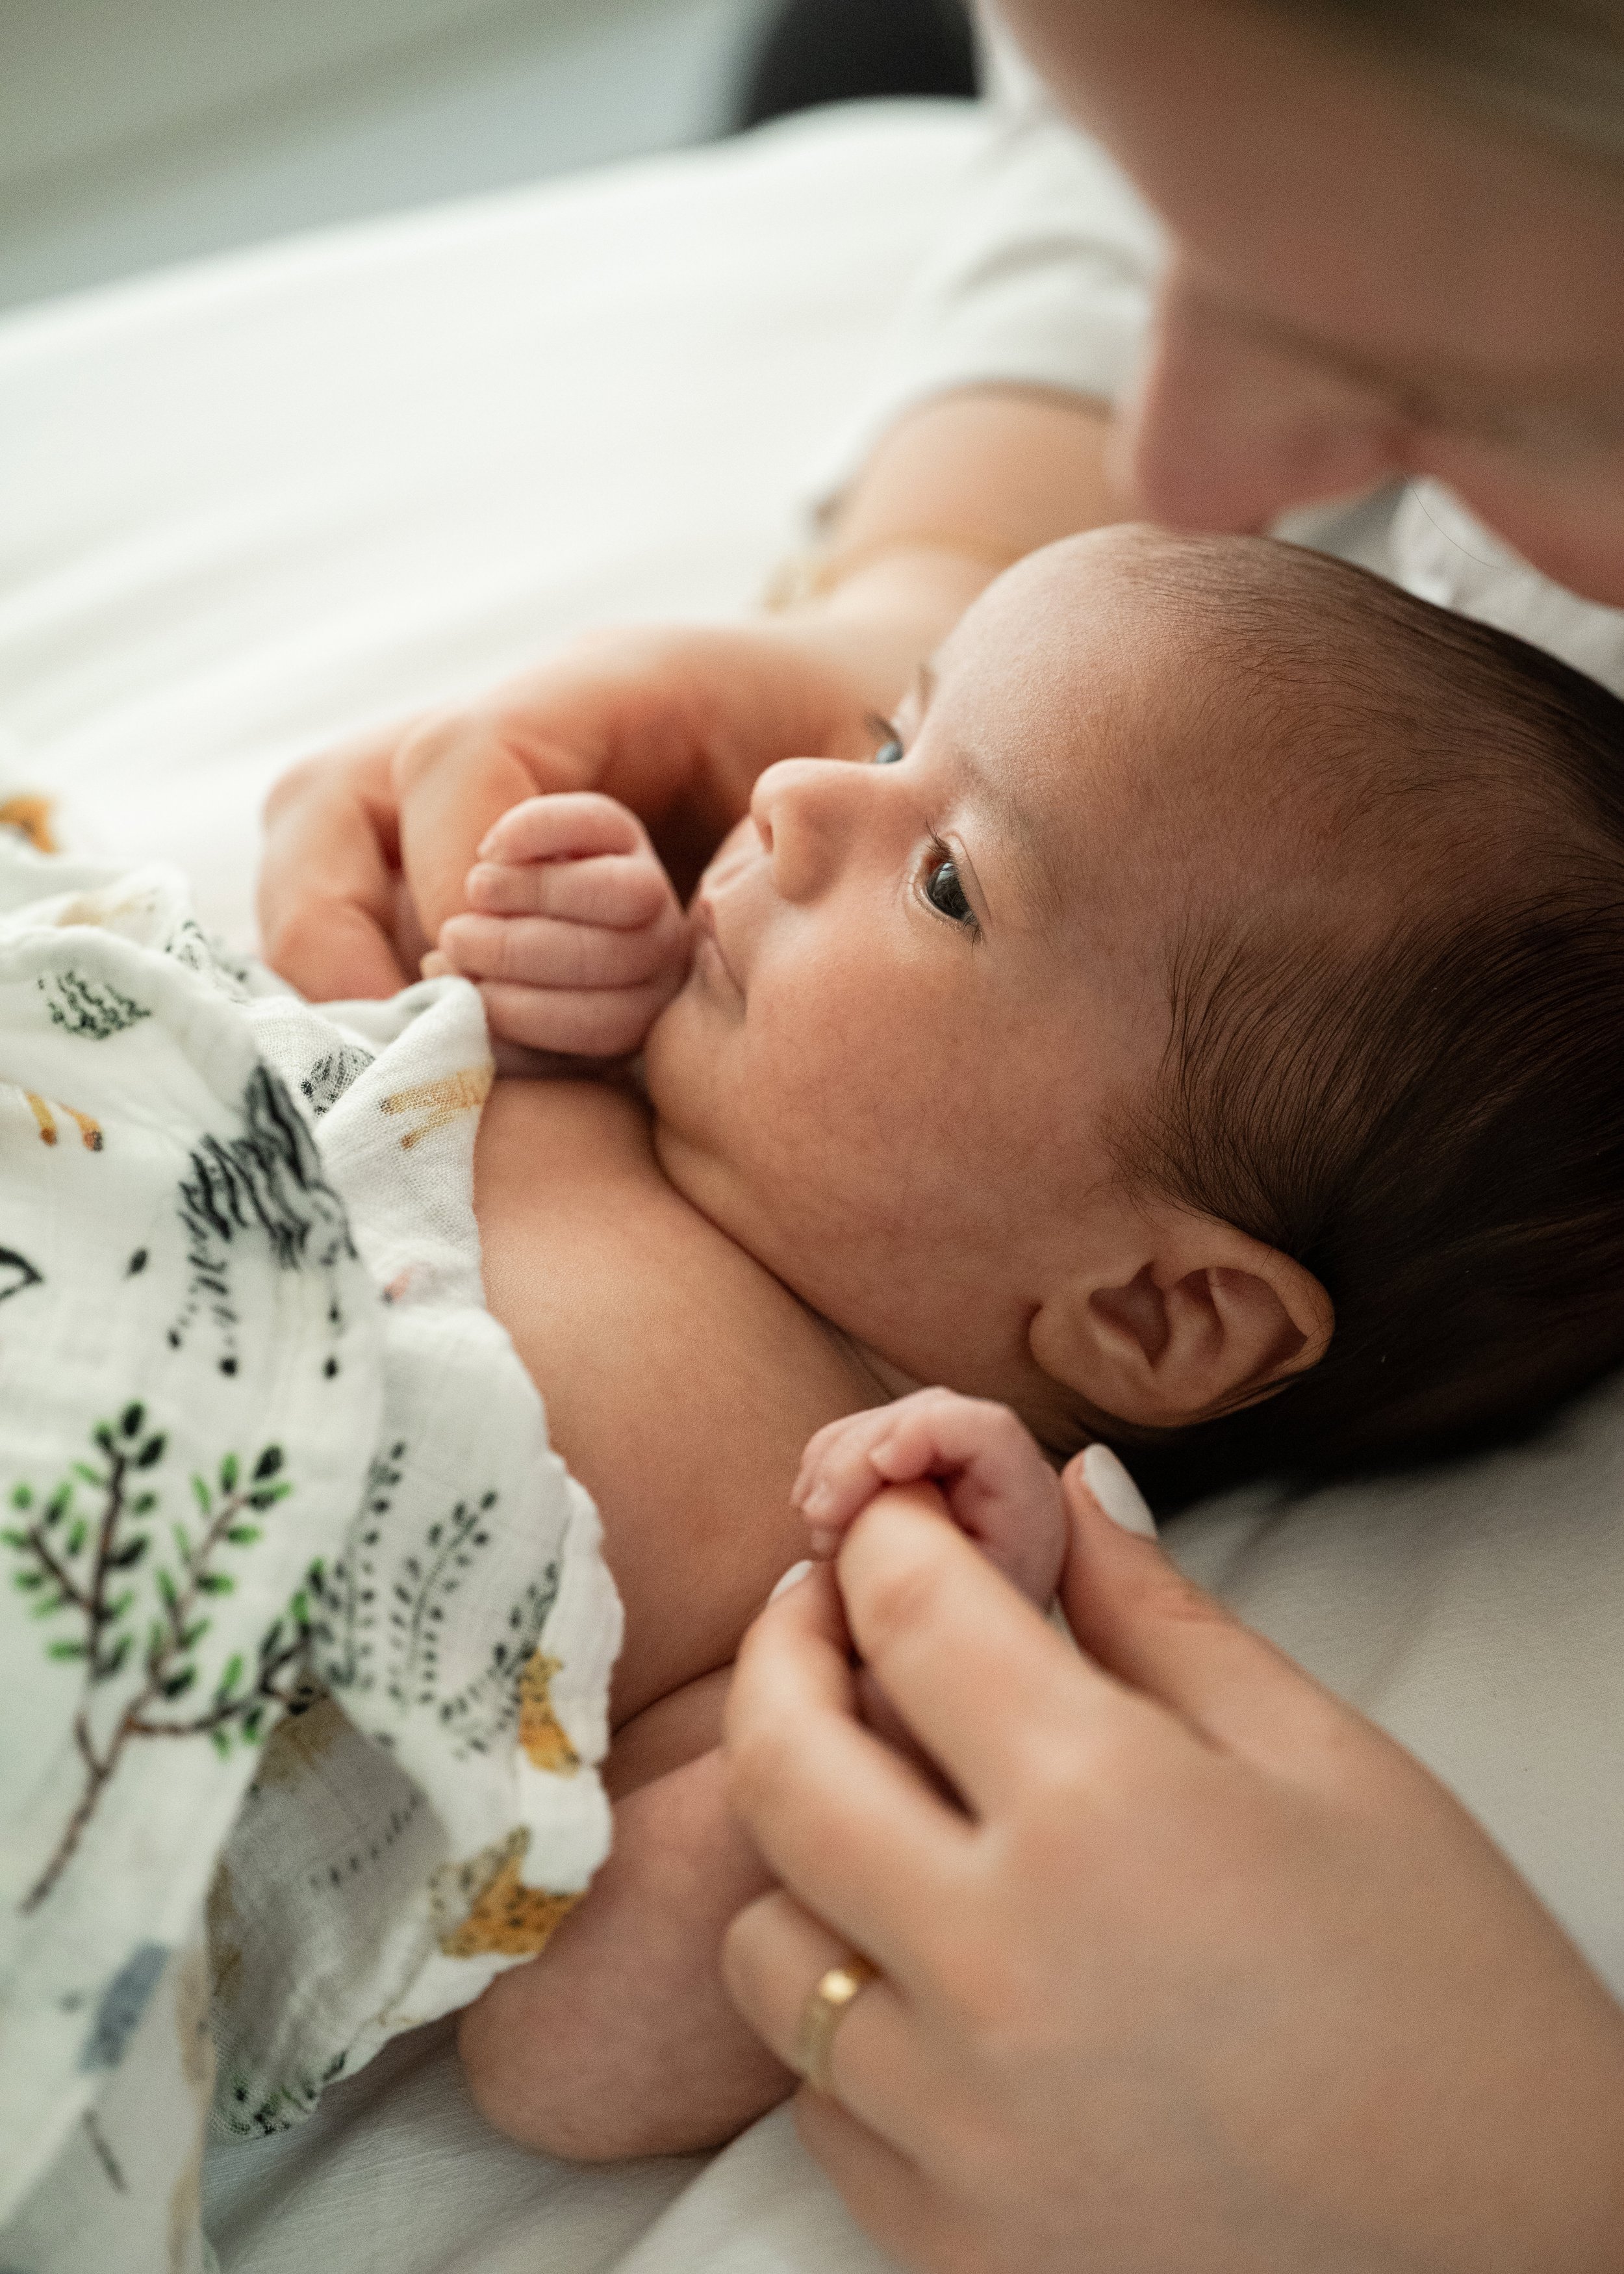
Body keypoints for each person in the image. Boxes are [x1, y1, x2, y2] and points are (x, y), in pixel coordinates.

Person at [253, 0, 1624, 2261]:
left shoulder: (847, 1543)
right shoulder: (627, 1076)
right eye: (895, 732)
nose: (796, 789)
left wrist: (841, 1758)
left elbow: (562, 2040)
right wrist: (558, 924)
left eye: (951, 871)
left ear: (1162, 1304)